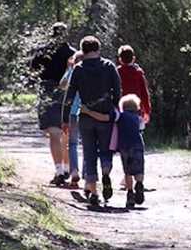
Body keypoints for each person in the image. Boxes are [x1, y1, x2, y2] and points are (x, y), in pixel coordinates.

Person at [64, 36, 121, 206]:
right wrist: (116, 111)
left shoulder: (79, 69)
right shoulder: (109, 66)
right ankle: (105, 171)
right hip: (105, 116)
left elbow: (70, 95)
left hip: (86, 117)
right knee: (106, 149)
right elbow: (118, 91)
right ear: (98, 48)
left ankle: (94, 191)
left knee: (89, 153)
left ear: (83, 50)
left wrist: (65, 119)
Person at [29, 23, 76, 186]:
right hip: (67, 93)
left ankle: (59, 171)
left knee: (54, 133)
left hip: (47, 90)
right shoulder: (72, 54)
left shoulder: (42, 51)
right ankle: (68, 168)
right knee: (66, 133)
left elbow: (33, 71)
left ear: (52, 34)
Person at [81, 94, 146, 208]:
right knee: (139, 169)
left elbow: (106, 118)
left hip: (124, 146)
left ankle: (130, 193)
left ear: (123, 106)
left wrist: (88, 112)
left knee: (127, 171)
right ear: (136, 107)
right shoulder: (139, 118)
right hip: (138, 146)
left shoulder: (119, 116)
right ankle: (139, 184)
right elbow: (141, 128)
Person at [116, 45, 152, 188]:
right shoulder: (138, 73)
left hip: (121, 111)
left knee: (124, 143)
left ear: (120, 59)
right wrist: (147, 110)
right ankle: (135, 174)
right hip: (136, 111)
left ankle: (127, 176)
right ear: (134, 58)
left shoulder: (117, 72)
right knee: (136, 141)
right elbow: (144, 93)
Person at [60, 51, 84, 188]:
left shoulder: (72, 72)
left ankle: (74, 171)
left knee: (73, 144)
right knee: (88, 145)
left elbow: (62, 85)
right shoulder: (88, 73)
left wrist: (69, 68)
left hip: (72, 112)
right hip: (87, 112)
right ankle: (89, 174)